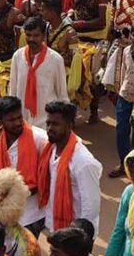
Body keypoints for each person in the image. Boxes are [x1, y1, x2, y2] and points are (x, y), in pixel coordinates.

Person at [39, 100, 103, 235]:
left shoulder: (83, 161)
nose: (50, 128)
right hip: (54, 226)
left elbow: (91, 206)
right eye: (48, 123)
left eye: (55, 124)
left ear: (70, 126)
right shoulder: (51, 148)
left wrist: (78, 237)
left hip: (76, 234)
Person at [0, 96, 49, 234]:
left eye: (19, 117)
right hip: (7, 213)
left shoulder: (39, 138)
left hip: (32, 214)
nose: (17, 123)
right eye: (11, 120)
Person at [8, 16, 68, 129]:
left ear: (44, 36)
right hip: (22, 121)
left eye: (36, 36)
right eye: (28, 35)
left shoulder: (56, 60)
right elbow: (13, 89)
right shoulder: (17, 56)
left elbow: (62, 94)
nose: (31, 39)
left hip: (46, 123)